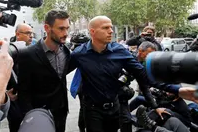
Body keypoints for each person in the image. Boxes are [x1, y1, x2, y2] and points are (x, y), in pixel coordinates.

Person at [69, 16, 198, 132]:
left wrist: (177, 89)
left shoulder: (119, 51)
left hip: (115, 108)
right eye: (105, 28)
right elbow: (59, 74)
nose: (111, 31)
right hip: (92, 110)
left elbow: (143, 75)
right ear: (92, 31)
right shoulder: (79, 54)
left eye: (111, 27)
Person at [17, 9, 71, 132]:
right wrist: (29, 117)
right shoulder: (28, 54)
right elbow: (23, 91)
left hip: (61, 112)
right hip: (39, 116)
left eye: (67, 28)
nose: (66, 33)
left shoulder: (66, 52)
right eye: (61, 28)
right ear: (47, 28)